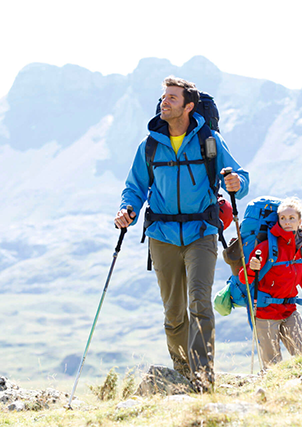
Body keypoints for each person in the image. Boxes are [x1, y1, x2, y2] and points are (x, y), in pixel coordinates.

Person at [114, 76, 249, 391]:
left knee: (199, 303)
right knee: (174, 313)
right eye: (164, 97)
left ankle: (204, 377)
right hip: (162, 235)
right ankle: (183, 372)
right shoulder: (149, 145)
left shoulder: (209, 141)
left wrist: (236, 184)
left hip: (201, 231)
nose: (165, 102)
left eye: (172, 98)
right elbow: (135, 187)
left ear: (189, 106)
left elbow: (239, 175)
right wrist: (127, 211)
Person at [239, 197, 302, 369]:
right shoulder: (266, 247)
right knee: (272, 367)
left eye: (291, 218)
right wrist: (252, 268)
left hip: (289, 311)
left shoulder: (301, 250)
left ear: (299, 221)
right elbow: (244, 278)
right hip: (264, 313)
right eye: (283, 218)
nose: (287, 222)